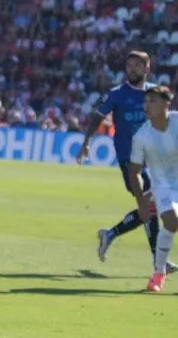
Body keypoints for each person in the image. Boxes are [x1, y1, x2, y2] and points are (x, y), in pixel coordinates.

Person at [76, 51, 176, 272]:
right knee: (152, 206)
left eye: (137, 66)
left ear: (147, 68)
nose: (132, 70)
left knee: (152, 207)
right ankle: (157, 261)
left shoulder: (154, 94)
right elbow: (98, 117)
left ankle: (110, 234)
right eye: (129, 66)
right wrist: (87, 143)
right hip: (131, 161)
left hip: (157, 159)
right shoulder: (117, 94)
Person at [128, 85, 178, 292]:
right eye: (145, 101)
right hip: (163, 186)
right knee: (172, 221)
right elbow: (134, 172)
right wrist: (141, 202)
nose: (147, 105)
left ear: (166, 103)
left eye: (153, 101)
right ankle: (159, 273)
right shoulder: (141, 137)